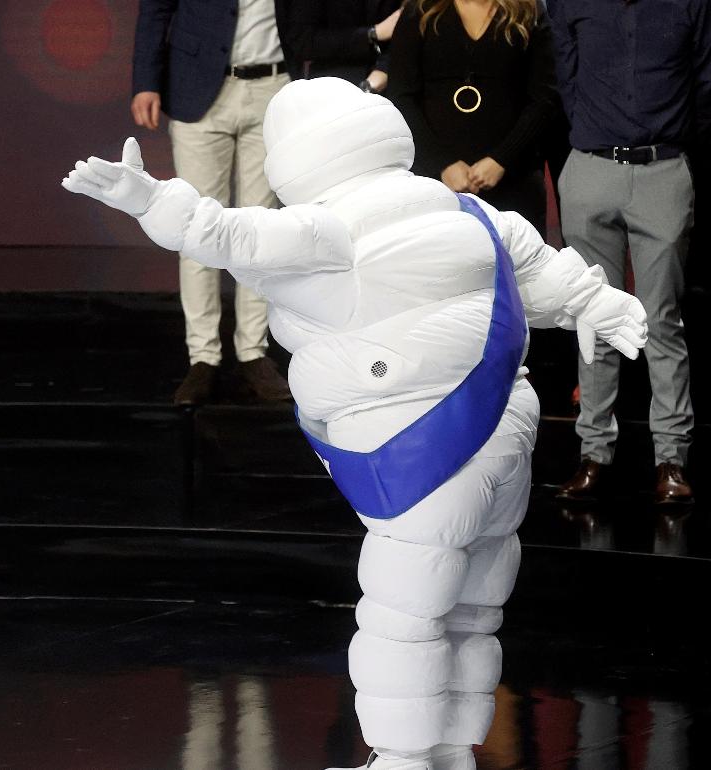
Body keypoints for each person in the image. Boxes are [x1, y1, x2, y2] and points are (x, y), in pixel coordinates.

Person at [63, 78, 645, 770]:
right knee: (472, 614)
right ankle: (454, 749)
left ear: (299, 161)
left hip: (422, 452)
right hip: (505, 446)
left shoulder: (325, 229)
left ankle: (402, 755)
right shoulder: (471, 216)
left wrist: (149, 198)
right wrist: (603, 306)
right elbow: (551, 279)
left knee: (404, 620)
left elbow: (219, 232)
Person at [549, 0, 708, 504]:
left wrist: (676, 145)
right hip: (591, 165)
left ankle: (671, 460)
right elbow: (565, 75)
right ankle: (594, 454)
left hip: (664, 167)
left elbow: (703, 81)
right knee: (595, 316)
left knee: (661, 318)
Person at [132, 0, 295, 405]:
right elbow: (156, 11)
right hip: (197, 86)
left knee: (261, 229)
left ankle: (253, 352)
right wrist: (145, 81)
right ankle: (203, 356)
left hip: (275, 86)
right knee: (197, 230)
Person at [387, 0, 558, 230]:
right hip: (434, 183)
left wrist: (502, 160)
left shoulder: (528, 10)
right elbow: (401, 96)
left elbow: (545, 97)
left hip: (514, 179)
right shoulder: (420, 11)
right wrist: (441, 164)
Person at [285, 0, 404, 93]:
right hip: (333, 81)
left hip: (393, 75)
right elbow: (303, 41)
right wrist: (372, 33)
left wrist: (383, 68)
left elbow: (407, 22)